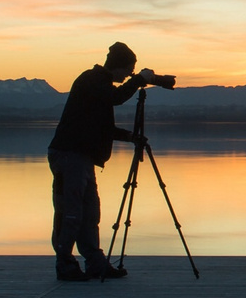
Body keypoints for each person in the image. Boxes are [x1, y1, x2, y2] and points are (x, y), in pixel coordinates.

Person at [46, 42, 163, 281]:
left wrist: (131, 137)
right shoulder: (93, 80)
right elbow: (117, 98)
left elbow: (102, 128)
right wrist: (139, 80)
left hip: (82, 157)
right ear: (119, 66)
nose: (128, 75)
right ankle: (65, 264)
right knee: (71, 213)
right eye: (129, 70)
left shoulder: (100, 85)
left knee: (90, 213)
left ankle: (95, 263)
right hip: (69, 155)